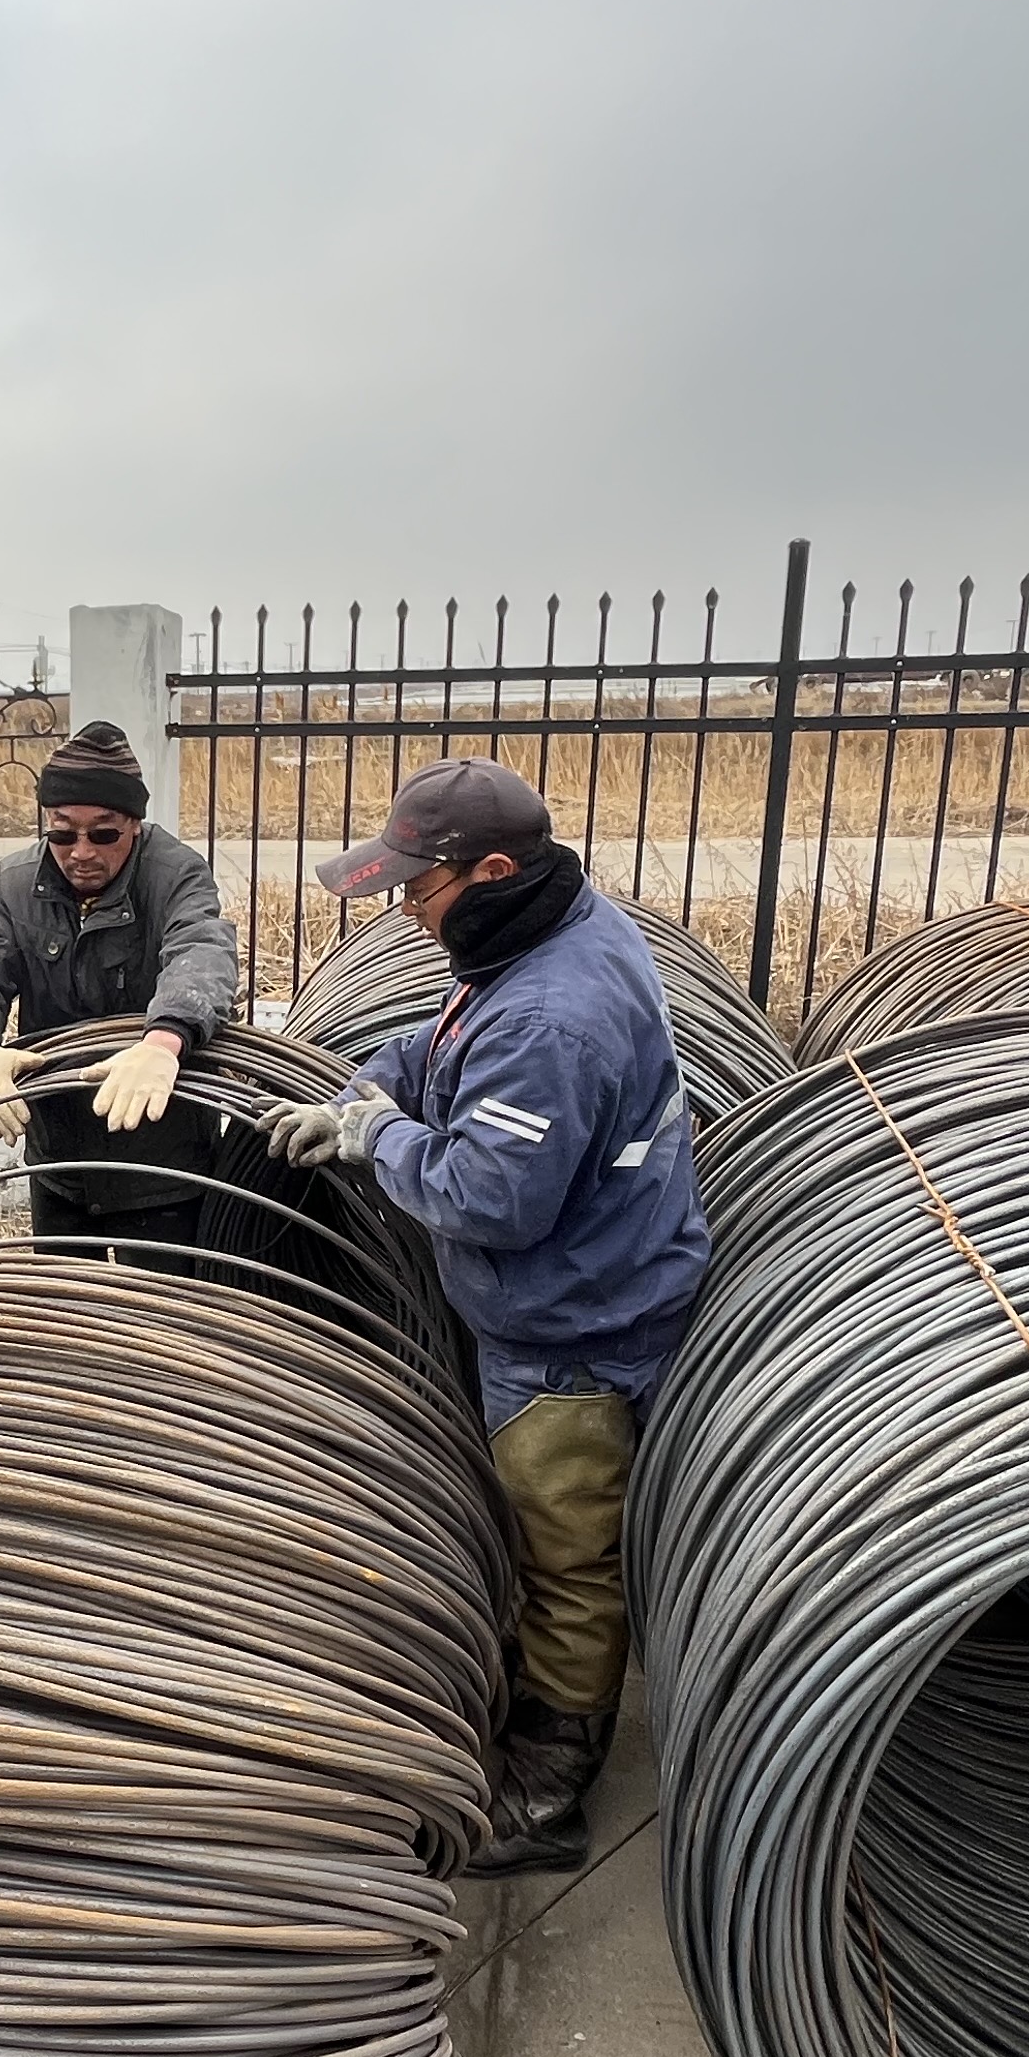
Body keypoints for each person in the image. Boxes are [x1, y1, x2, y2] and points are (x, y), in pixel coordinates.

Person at [260, 757, 710, 1875]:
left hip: (572, 1332)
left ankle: (549, 1794)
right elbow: (446, 1043)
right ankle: (519, 1694)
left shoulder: (552, 1017)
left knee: (566, 1561)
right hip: (574, 1288)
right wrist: (374, 1085)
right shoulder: (547, 931)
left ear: (494, 870)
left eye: (420, 889)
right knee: (535, 1538)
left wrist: (376, 1136)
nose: (409, 913)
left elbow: (491, 1199)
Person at [0, 719, 237, 1265]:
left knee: (165, 1309)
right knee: (65, 1304)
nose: (80, 852)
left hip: (161, 1163)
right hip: (61, 1159)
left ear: (134, 826)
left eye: (103, 834)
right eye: (62, 833)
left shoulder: (176, 875)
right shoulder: (15, 882)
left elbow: (202, 954)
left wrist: (162, 1044)